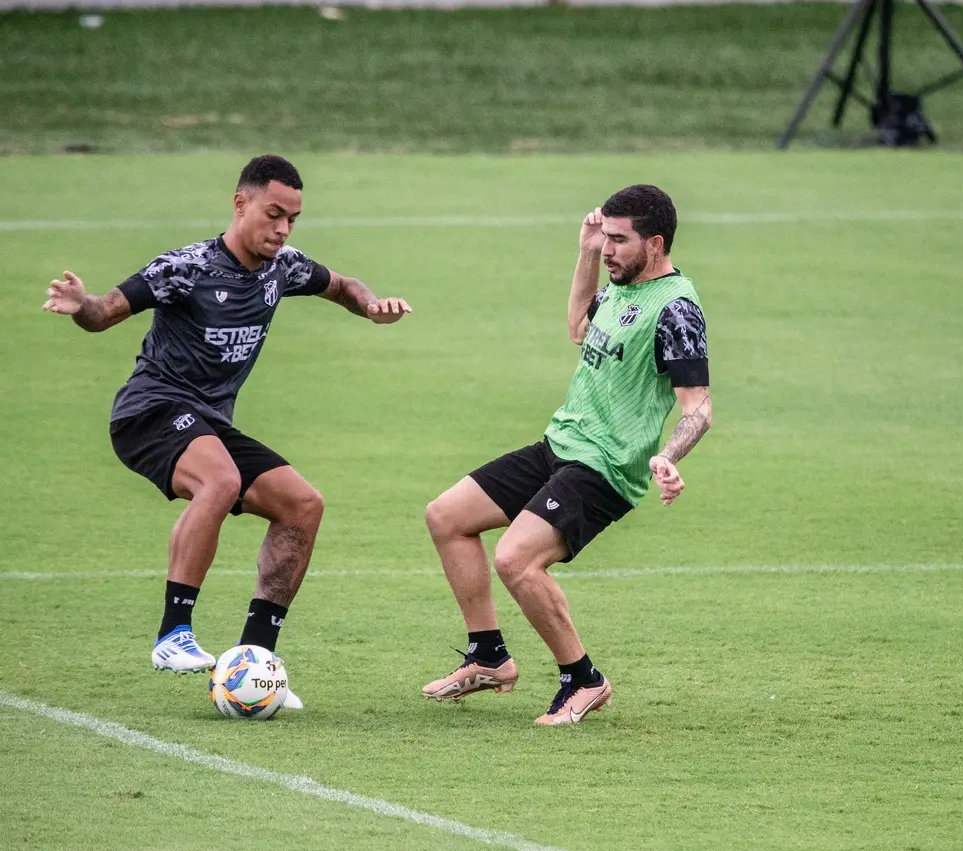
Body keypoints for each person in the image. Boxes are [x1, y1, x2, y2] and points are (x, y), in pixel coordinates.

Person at [41, 155, 411, 706]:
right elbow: (105, 312)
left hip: (208, 421)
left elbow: (342, 285)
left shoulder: (281, 267)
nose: (283, 229)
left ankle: (255, 662)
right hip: (148, 412)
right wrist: (81, 305)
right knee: (221, 480)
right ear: (241, 205)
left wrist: (370, 305)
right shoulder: (185, 267)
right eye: (273, 214)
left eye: (293, 219)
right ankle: (173, 634)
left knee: (302, 506)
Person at [422, 184, 711, 725]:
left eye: (618, 241)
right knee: (447, 517)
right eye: (605, 237)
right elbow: (580, 329)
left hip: (603, 469)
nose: (608, 250)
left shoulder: (676, 310)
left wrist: (669, 456)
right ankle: (489, 658)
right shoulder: (620, 285)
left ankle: (583, 679)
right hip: (560, 446)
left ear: (656, 243)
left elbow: (699, 407)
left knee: (515, 560)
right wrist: (583, 251)